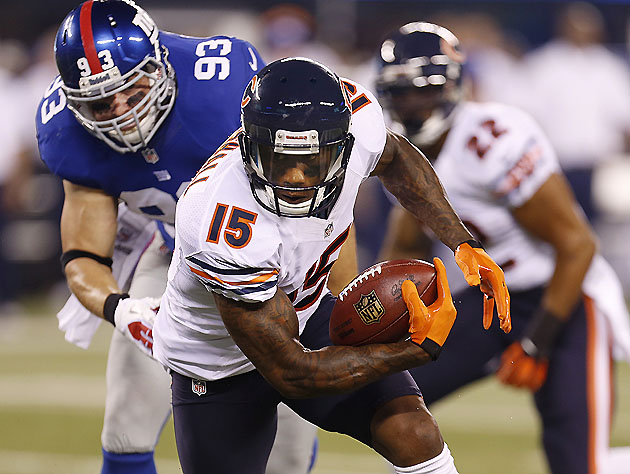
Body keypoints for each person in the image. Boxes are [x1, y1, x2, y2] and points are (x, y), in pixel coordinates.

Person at [152, 56, 511, 474]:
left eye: (313, 160)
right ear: (249, 146)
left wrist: (462, 243)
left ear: (343, 143)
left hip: (307, 310)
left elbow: (396, 159)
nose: (297, 178)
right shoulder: (219, 219)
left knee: (414, 433)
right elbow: (292, 372)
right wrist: (412, 350)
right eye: (280, 159)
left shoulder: (358, 122)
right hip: (216, 361)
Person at [36, 1, 334, 473]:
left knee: (288, 455)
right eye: (99, 104)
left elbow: (327, 209)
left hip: (278, 266)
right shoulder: (68, 137)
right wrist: (124, 308)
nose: (120, 115)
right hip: (175, 257)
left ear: (160, 67)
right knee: (125, 427)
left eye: (132, 92)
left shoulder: (226, 90)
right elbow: (82, 258)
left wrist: (333, 304)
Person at [375, 21, 630, 474]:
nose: (412, 103)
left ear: (454, 86)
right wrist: (376, 312)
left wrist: (537, 342)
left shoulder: (494, 139)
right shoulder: (400, 152)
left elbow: (577, 246)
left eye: (424, 90)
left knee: (575, 460)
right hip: (490, 302)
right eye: (401, 91)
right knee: (385, 391)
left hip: (564, 300)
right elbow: (405, 244)